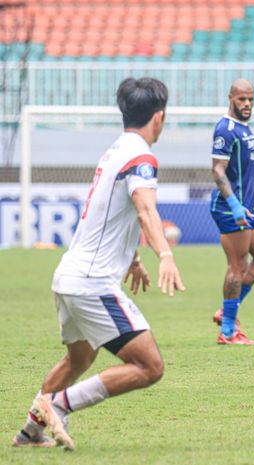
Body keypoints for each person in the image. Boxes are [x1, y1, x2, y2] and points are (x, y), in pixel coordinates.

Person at [11, 77, 185, 450]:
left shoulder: (115, 151)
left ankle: (29, 433)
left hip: (69, 276)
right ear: (160, 117)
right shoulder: (141, 158)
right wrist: (165, 255)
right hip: (92, 283)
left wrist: (134, 257)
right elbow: (144, 208)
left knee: (80, 357)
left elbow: (111, 213)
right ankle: (54, 405)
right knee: (150, 366)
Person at [209, 78, 254, 345]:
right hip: (230, 209)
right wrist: (236, 206)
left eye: (250, 99)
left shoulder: (245, 130)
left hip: (247, 206)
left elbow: (245, 177)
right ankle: (227, 331)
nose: (247, 104)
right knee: (236, 267)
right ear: (231, 99)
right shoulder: (225, 130)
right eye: (241, 99)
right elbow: (218, 171)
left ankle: (226, 310)